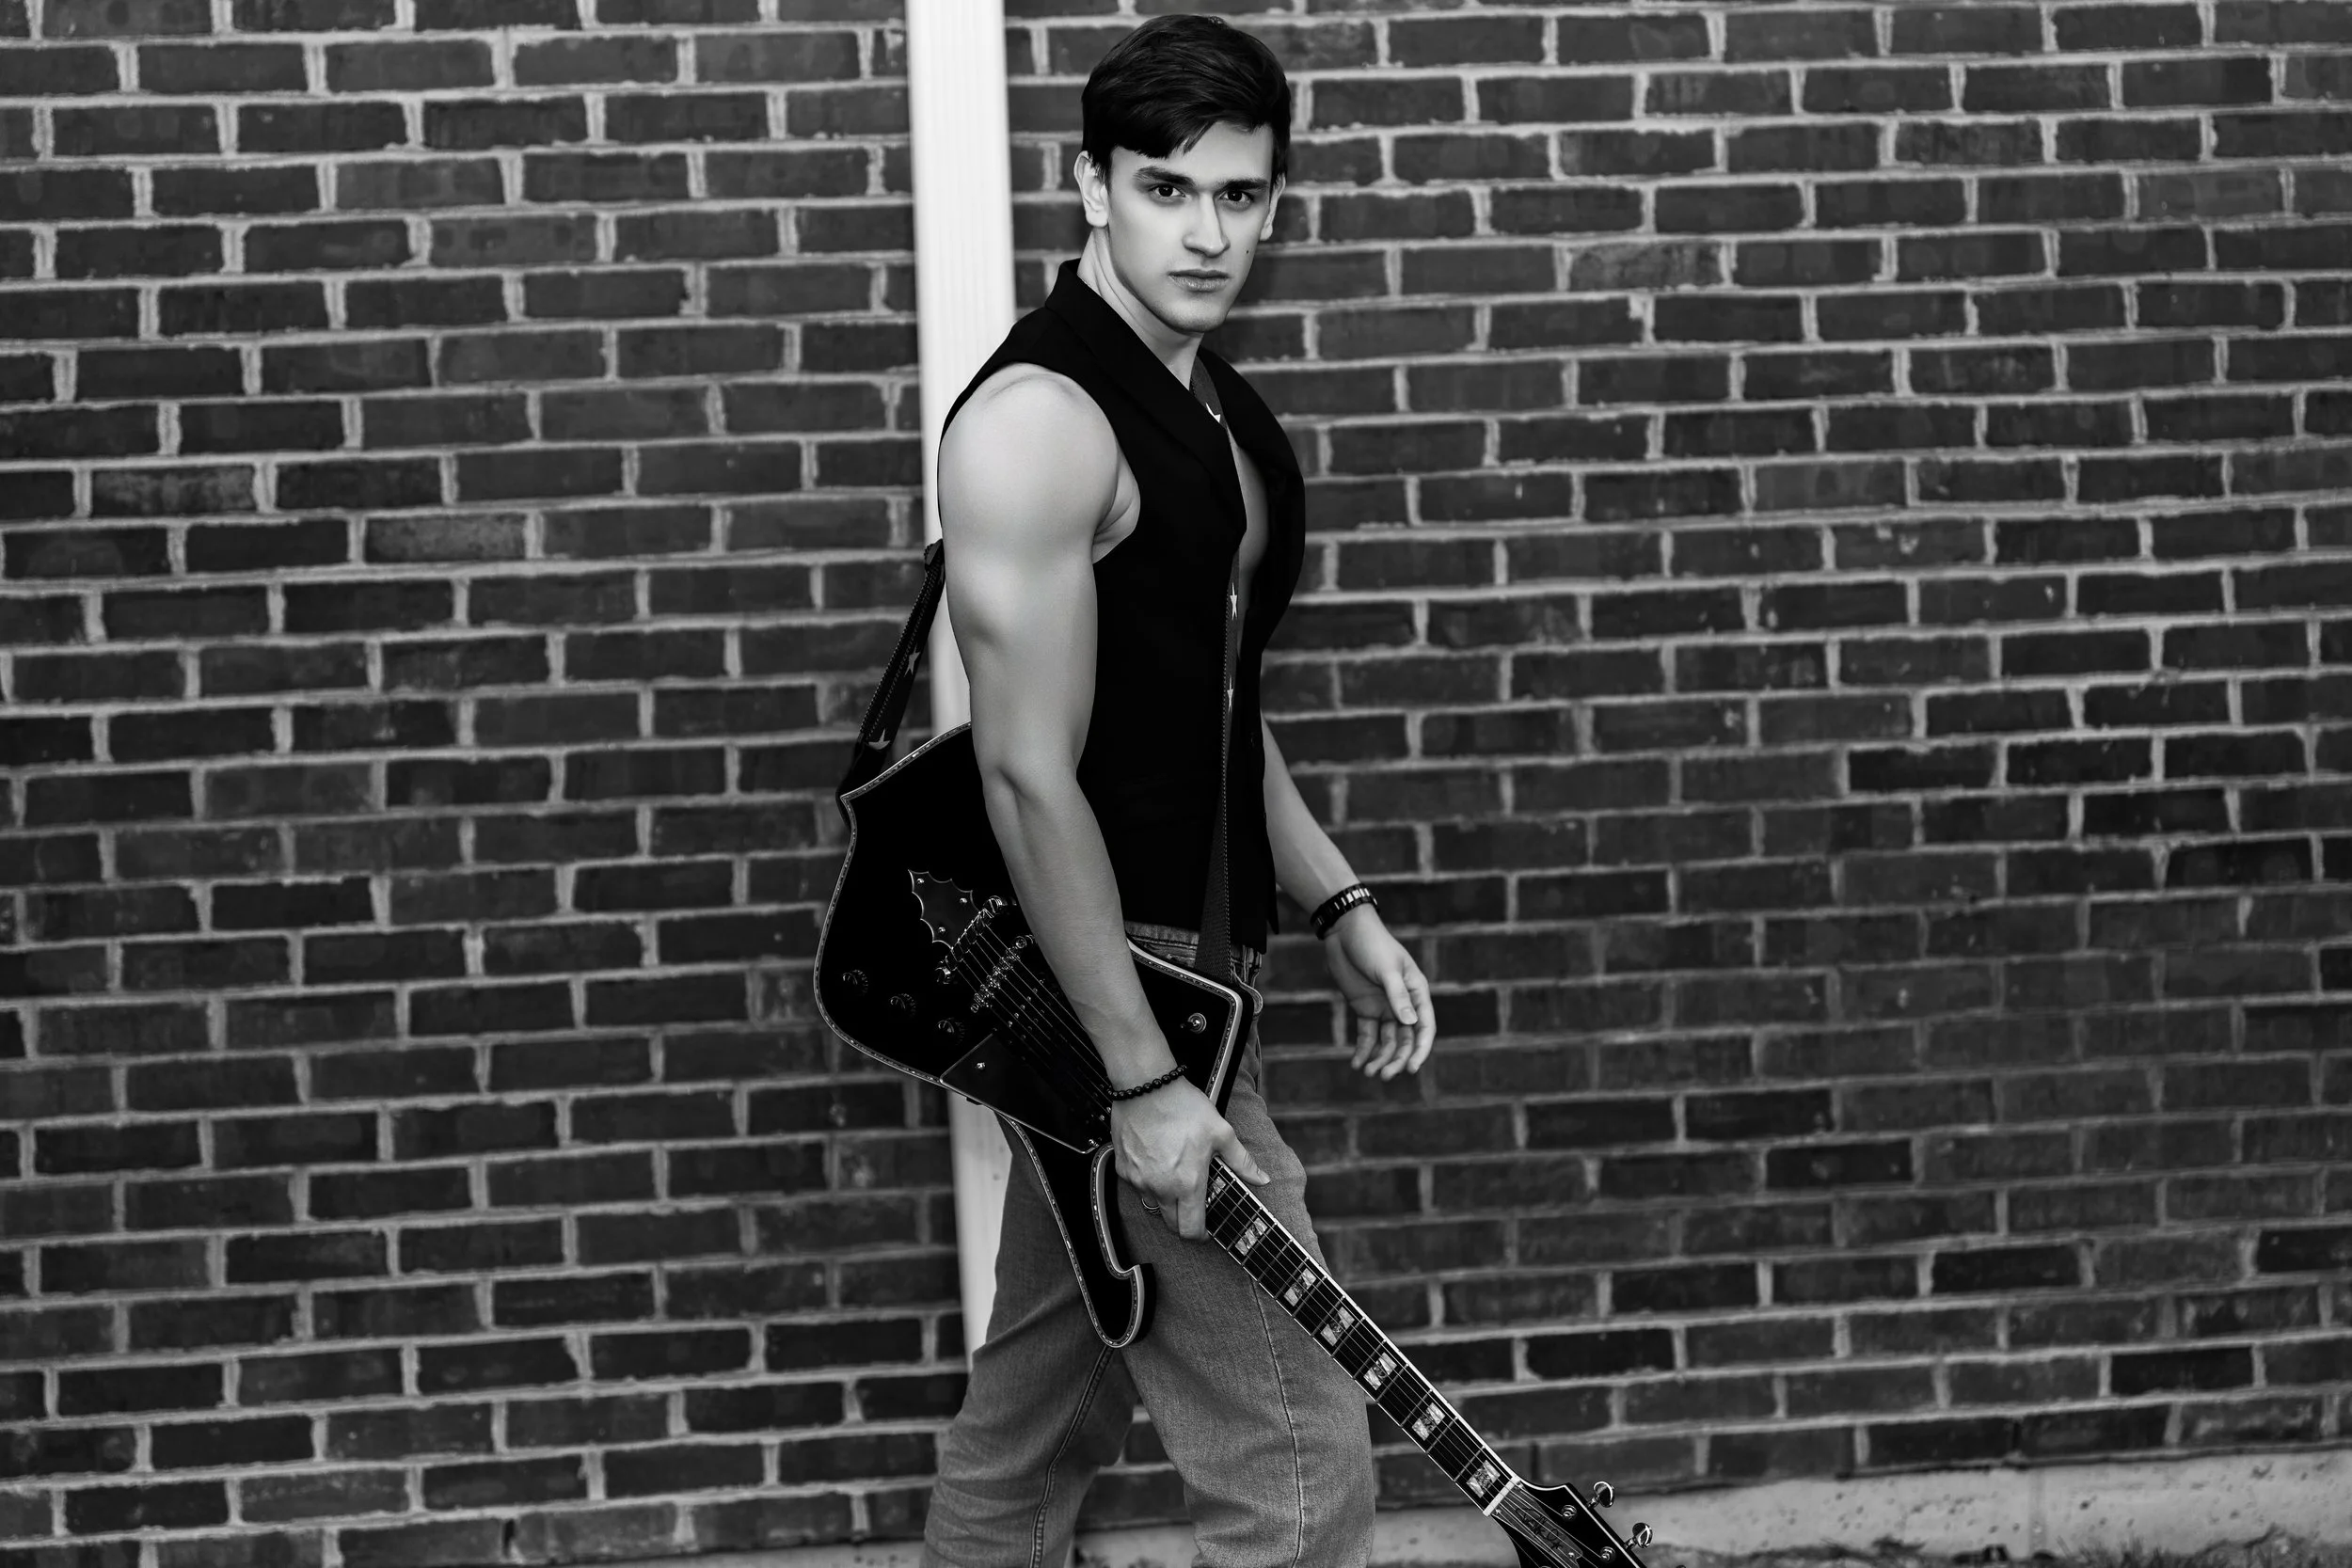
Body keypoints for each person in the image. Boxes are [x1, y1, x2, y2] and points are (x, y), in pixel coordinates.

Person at [919, 15, 1438, 1568]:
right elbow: (1024, 773)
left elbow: (1210, 702)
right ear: (1088, 185)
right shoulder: (1041, 427)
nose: (1210, 233)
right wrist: (1146, 1080)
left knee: (1038, 1413)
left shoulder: (1209, 400)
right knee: (1290, 1430)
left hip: (1194, 962)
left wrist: (1331, 893)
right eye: (1168, 189)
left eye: (1244, 195)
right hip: (1123, 988)